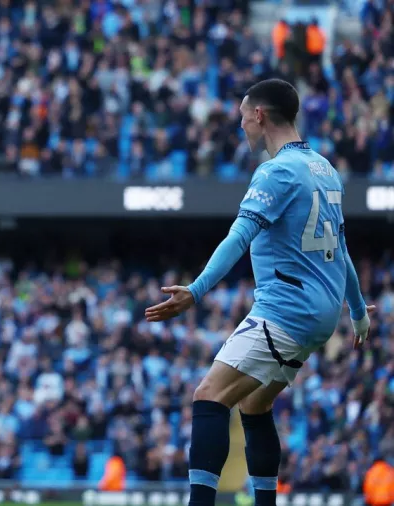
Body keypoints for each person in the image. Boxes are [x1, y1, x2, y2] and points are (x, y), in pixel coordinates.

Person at [144, 78, 376, 506]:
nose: (242, 129)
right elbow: (340, 249)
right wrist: (358, 312)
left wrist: (196, 291)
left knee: (209, 396)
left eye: (242, 120)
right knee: (253, 404)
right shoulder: (325, 168)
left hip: (288, 306)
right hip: (322, 312)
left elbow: (239, 237)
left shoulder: (276, 171)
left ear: (259, 115)